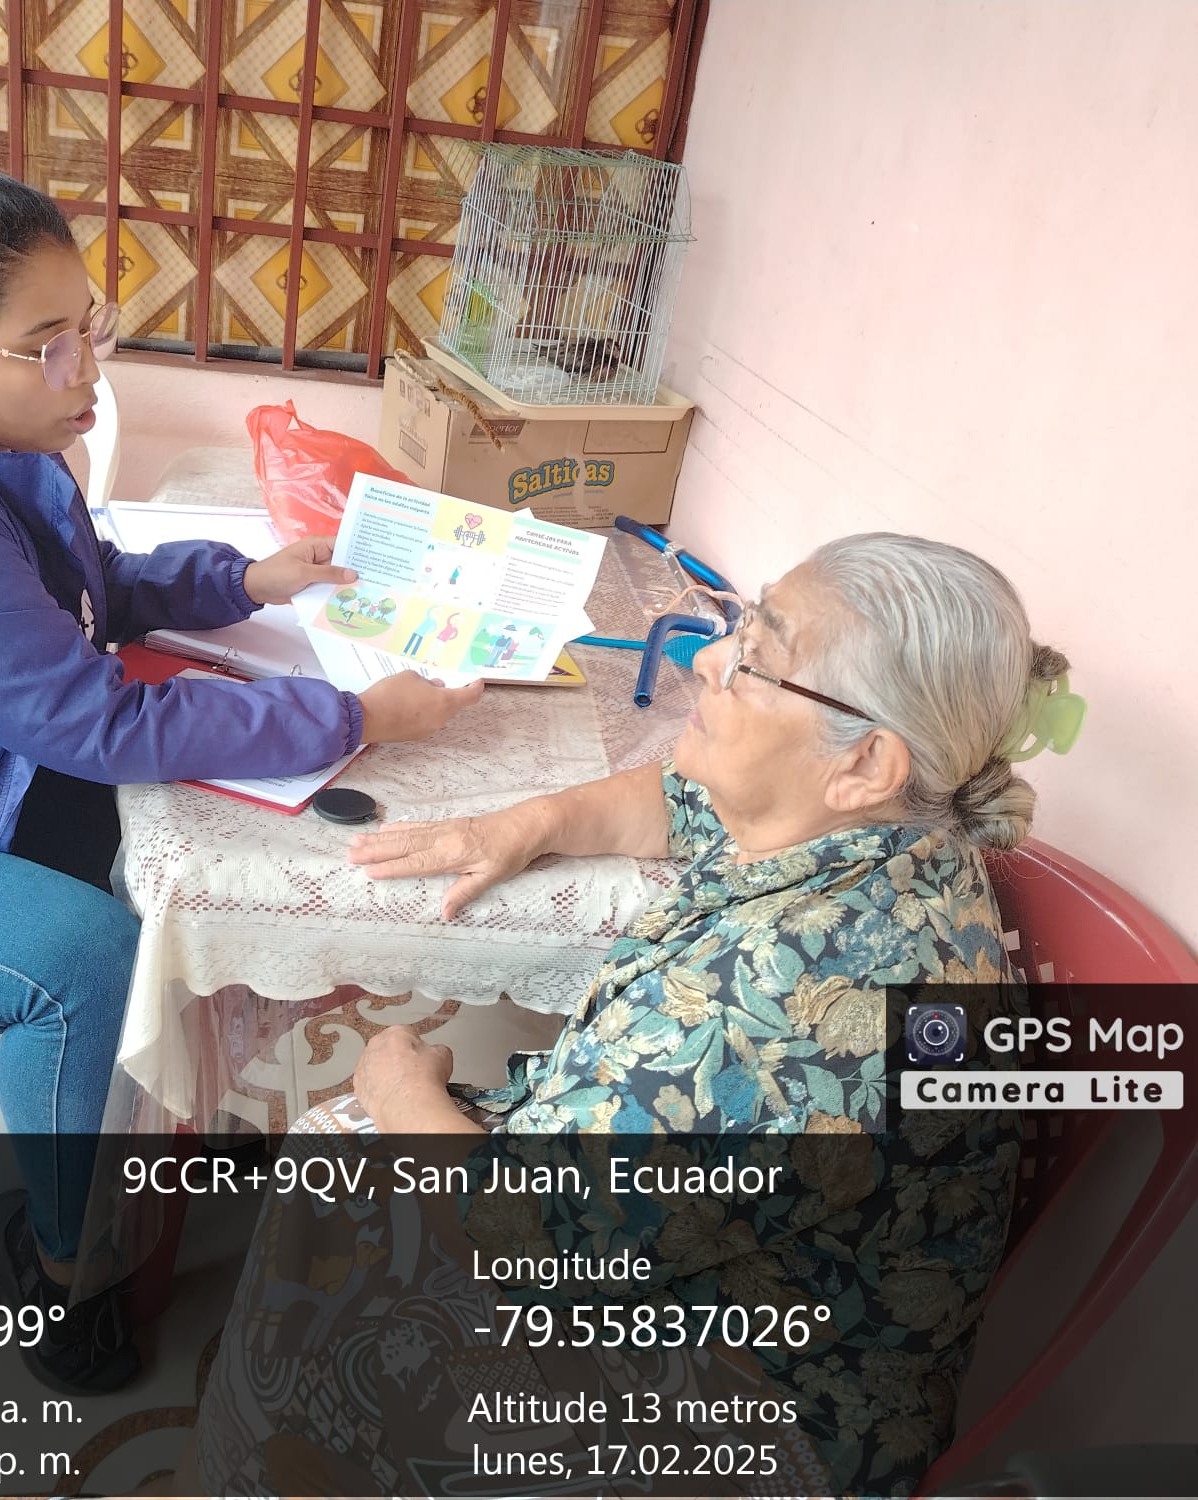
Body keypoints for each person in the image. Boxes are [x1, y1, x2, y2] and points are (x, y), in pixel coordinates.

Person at [0, 166, 481, 1393]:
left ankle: (165, 1120)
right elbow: (98, 723)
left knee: (187, 871)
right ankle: (62, 1259)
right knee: (80, 962)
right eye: (45, 345)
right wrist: (352, 713)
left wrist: (244, 581)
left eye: (89, 328)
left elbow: (87, 587)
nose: (87, 374)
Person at [190, 532, 1080, 1496]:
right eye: (739, 626)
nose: (708, 659)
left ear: (865, 763)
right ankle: (285, 1412)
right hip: (705, 1264)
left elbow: (528, 1237)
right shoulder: (877, 823)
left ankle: (284, 1444)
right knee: (350, 1175)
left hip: (754, 1417)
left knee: (348, 1147)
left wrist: (401, 1090)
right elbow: (678, 796)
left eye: (754, 659)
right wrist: (522, 825)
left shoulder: (794, 1008)